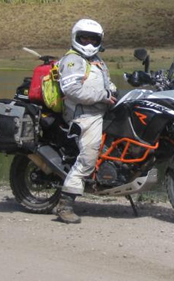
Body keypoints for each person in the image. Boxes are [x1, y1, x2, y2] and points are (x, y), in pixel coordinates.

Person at [55, 18, 117, 224]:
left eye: (93, 39)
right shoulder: (73, 60)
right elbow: (72, 89)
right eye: (85, 38)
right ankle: (65, 204)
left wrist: (112, 91)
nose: (89, 43)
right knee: (88, 155)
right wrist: (103, 95)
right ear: (76, 37)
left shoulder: (96, 60)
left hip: (98, 111)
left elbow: (106, 83)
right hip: (83, 115)